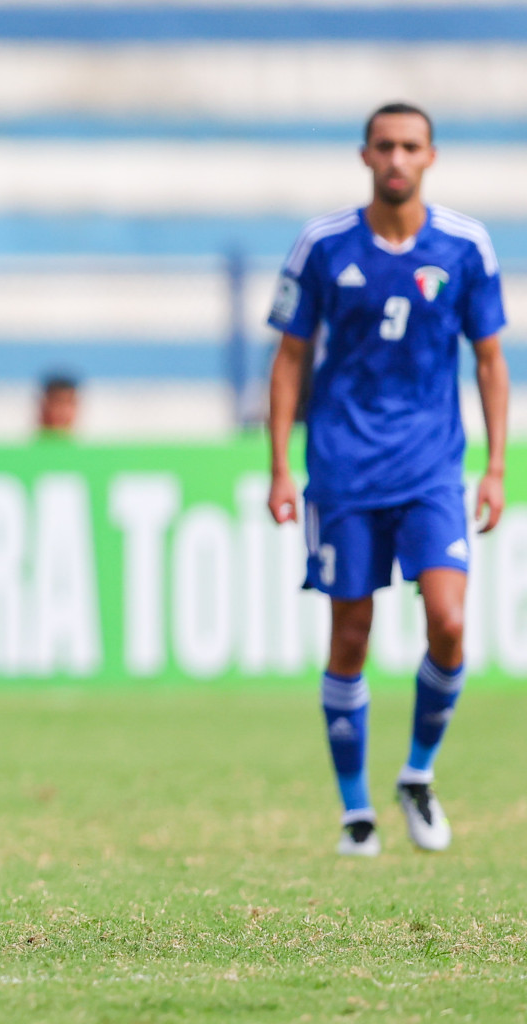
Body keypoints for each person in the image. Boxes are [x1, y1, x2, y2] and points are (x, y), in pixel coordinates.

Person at [266, 103, 508, 857]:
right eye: (385, 147)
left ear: (431, 155)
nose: (397, 159)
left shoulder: (466, 246)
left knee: (451, 623)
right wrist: (279, 462)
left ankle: (419, 773)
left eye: (410, 146)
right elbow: (290, 358)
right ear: (365, 155)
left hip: (431, 469)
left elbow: (492, 360)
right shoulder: (323, 244)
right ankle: (354, 814)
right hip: (342, 471)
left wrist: (496, 465)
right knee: (350, 634)